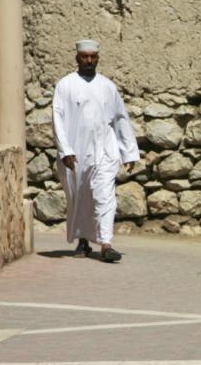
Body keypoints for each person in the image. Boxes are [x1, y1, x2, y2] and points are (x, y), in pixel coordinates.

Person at [52, 39, 140, 262]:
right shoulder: (65, 85)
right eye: (85, 57)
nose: (89, 61)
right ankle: (83, 240)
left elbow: (121, 118)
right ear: (77, 58)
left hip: (104, 150)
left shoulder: (108, 87)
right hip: (76, 153)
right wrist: (66, 150)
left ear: (98, 58)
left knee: (105, 196)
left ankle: (106, 244)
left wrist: (128, 151)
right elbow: (58, 119)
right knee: (79, 197)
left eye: (93, 57)